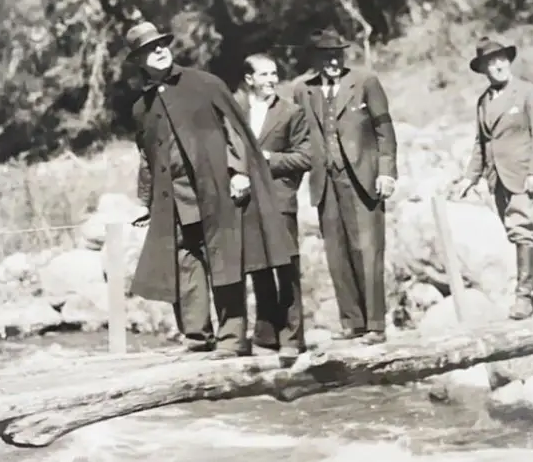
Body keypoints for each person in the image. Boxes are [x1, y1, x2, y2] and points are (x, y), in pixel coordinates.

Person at [127, 21, 297, 359]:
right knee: (185, 263)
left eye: (161, 44)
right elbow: (146, 156)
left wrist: (239, 172)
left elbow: (235, 130)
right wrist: (147, 202)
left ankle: (233, 339)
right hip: (174, 200)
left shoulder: (203, 84)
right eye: (150, 49)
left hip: (216, 190)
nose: (159, 51)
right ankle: (197, 336)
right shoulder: (141, 107)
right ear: (139, 60)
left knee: (225, 260)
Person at [293, 28, 398, 344]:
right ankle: (352, 322)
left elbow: (384, 129)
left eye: (337, 54)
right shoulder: (304, 91)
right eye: (326, 56)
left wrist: (387, 172)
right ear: (316, 59)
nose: (333, 61)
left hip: (363, 178)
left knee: (367, 249)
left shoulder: (365, 81)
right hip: (326, 181)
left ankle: (376, 325)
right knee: (336, 252)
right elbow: (299, 137)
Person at [450, 37, 533, 319]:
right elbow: (481, 142)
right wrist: (469, 178)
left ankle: (524, 298)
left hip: (524, 175)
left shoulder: (528, 93)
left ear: (508, 61)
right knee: (521, 236)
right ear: (483, 68)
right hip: (497, 178)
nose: (497, 66)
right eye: (490, 62)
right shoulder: (483, 101)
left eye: (501, 60)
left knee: (523, 231)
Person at [235, 53, 311, 360]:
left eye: (274, 73)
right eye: (264, 75)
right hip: (247, 200)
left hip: (280, 200)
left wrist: (268, 159)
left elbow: (305, 157)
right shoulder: (235, 112)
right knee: (259, 268)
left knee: (286, 268)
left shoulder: (291, 112)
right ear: (249, 79)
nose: (271, 80)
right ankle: (266, 336)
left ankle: (293, 337)